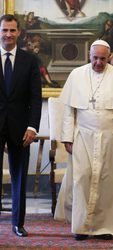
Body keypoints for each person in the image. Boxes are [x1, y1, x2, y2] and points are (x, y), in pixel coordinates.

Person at [54, 39, 113, 241]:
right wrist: (67, 137)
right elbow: (69, 110)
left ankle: (106, 227)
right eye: (95, 58)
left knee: (109, 182)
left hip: (110, 137)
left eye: (103, 59)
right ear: (89, 56)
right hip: (83, 136)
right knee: (81, 179)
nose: (98, 62)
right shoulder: (76, 75)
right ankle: (80, 227)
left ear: (109, 58)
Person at [0, 15, 42, 237]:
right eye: (5, 30)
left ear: (19, 32)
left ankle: (18, 223)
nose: (8, 34)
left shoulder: (30, 60)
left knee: (19, 177)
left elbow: (36, 97)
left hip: (21, 128)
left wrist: (32, 127)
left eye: (12, 30)